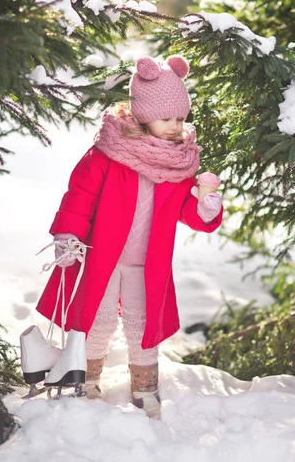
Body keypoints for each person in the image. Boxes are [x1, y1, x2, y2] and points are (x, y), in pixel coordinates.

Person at [35, 54, 223, 419]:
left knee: (142, 320)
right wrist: (67, 235)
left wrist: (205, 209)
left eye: (181, 118)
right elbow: (80, 196)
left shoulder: (178, 162)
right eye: (166, 118)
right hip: (101, 255)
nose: (174, 126)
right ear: (142, 114)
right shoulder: (108, 154)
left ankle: (145, 384)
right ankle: (85, 378)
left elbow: (186, 209)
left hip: (145, 262)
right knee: (98, 317)